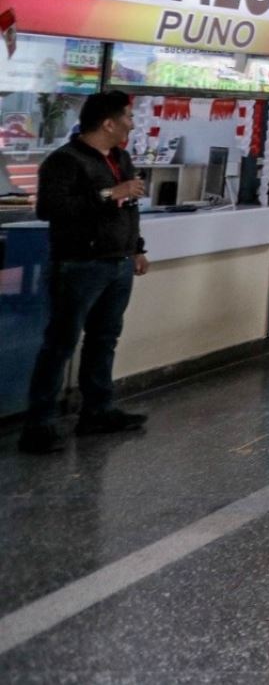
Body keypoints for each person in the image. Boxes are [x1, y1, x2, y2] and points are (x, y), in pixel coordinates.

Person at [18, 91, 151, 454]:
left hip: (117, 261)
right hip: (80, 264)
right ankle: (39, 423)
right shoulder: (65, 161)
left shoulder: (120, 157)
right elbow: (50, 208)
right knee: (60, 343)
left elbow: (129, 207)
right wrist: (108, 194)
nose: (131, 123)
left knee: (104, 339)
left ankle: (98, 409)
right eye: (126, 117)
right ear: (108, 123)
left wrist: (136, 247)